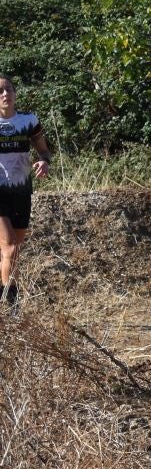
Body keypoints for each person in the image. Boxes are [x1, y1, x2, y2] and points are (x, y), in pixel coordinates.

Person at [0, 74, 53, 308]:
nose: (5, 94)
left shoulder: (29, 121)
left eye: (9, 89)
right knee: (9, 245)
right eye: (0, 91)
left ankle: (6, 297)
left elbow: (44, 152)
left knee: (13, 251)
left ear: (15, 94)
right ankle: (12, 306)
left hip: (21, 192)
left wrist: (44, 162)